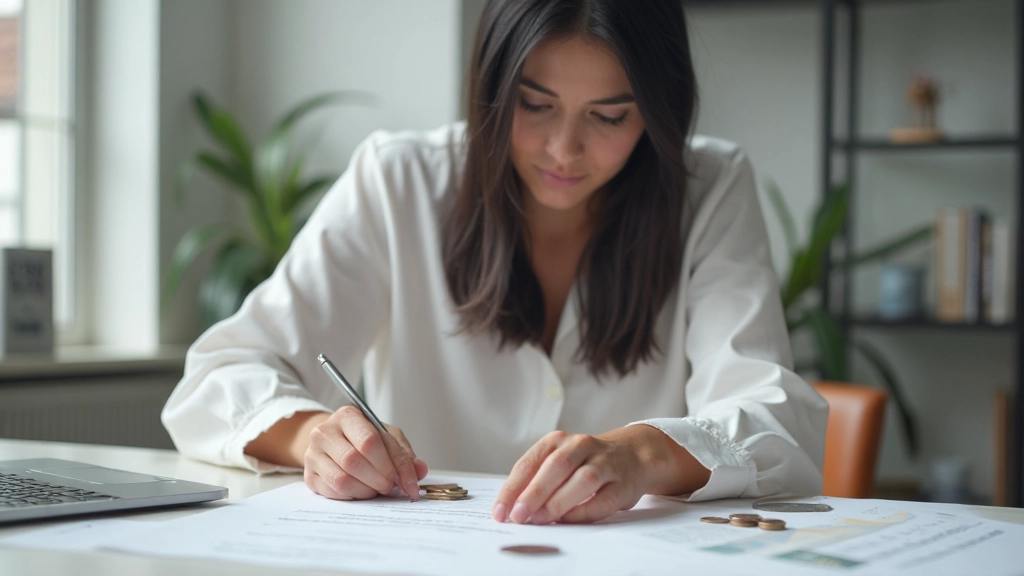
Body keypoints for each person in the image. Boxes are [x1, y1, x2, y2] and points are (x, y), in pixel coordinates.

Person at [162, 0, 828, 526]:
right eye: (535, 106)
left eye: (609, 116)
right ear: (490, 85)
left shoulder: (709, 190)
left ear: (659, 111)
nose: (564, 149)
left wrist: (639, 454)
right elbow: (220, 376)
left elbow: (775, 418)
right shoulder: (399, 182)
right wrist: (315, 439)